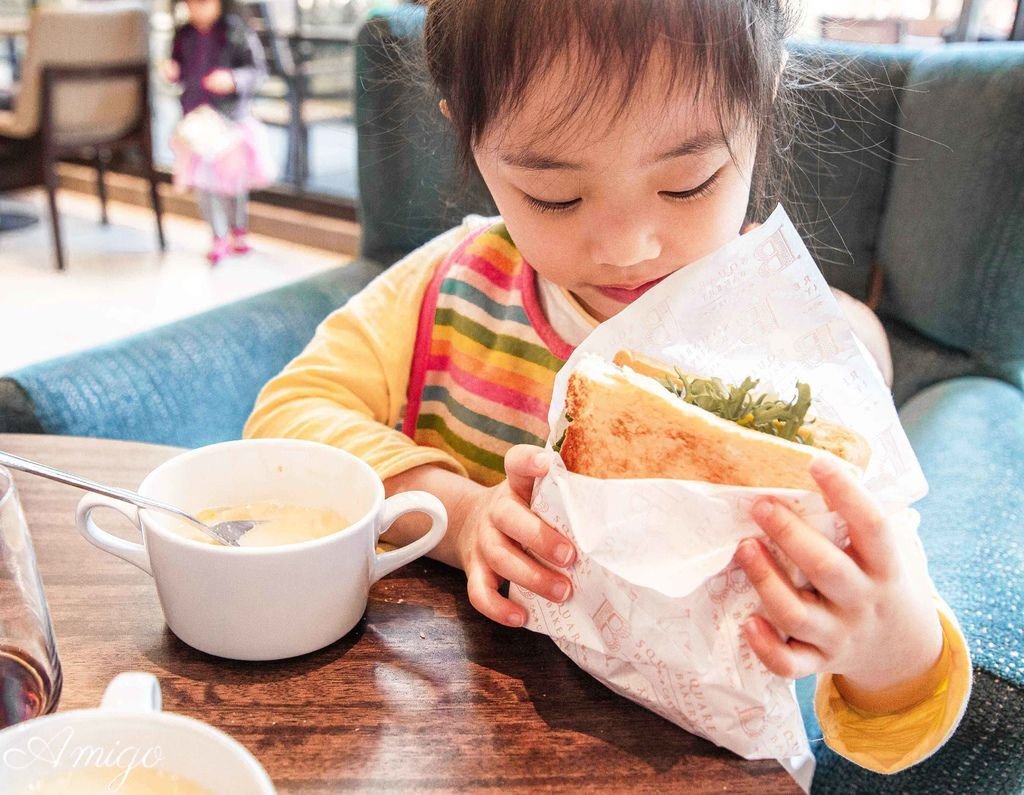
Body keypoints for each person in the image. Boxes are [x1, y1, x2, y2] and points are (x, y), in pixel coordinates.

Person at [244, 0, 969, 777]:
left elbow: (897, 730)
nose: (628, 246)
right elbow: (283, 423)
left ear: (762, 103)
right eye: (553, 194)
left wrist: (886, 643)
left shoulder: (794, 348)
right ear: (469, 133)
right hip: (452, 744)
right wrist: (459, 515)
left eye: (689, 182)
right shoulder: (444, 291)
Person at [163, 0, 273, 264]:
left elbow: (258, 72)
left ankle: (239, 231)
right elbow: (177, 68)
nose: (197, 9)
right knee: (204, 183)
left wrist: (233, 80)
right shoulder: (183, 33)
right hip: (197, 123)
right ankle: (218, 236)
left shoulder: (236, 30)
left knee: (234, 182)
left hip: (230, 121)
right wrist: (172, 72)